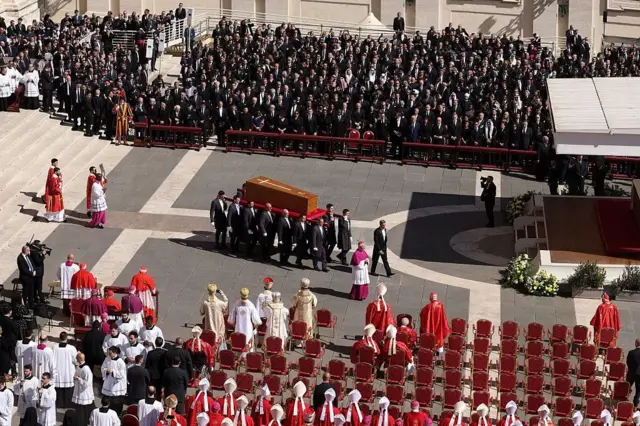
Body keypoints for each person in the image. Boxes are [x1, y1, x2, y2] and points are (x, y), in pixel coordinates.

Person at [53, 331, 77, 409]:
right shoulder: (71, 348)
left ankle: (59, 404)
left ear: (59, 338)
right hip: (68, 372)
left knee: (58, 390)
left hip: (58, 372)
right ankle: (68, 404)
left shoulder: (54, 347)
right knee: (68, 389)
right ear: (67, 338)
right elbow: (76, 361)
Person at [201, 283, 228, 349]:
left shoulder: (205, 303)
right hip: (218, 326)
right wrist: (223, 294)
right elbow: (226, 304)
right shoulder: (220, 303)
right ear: (215, 292)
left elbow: (202, 312)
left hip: (209, 326)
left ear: (208, 292)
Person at [101, 346, 127, 415]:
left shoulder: (120, 362)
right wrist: (106, 371)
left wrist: (113, 372)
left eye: (110, 353)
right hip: (108, 383)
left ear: (115, 353)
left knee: (116, 403)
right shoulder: (107, 359)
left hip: (117, 386)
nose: (109, 355)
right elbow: (102, 368)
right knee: (108, 401)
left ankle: (117, 414)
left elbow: (122, 374)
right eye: (108, 353)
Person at [72, 352, 95, 426]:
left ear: (79, 359)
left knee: (84, 408)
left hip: (84, 393)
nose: (76, 359)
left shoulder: (86, 369)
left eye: (77, 358)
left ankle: (84, 421)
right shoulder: (79, 366)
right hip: (79, 390)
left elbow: (87, 383)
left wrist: (78, 379)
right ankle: (80, 421)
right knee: (79, 408)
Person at [627, 339, 640, 406]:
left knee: (627, 387)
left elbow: (628, 362)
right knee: (638, 391)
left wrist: (631, 369)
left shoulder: (631, 352)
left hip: (631, 373)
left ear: (636, 344)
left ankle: (625, 400)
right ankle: (635, 405)